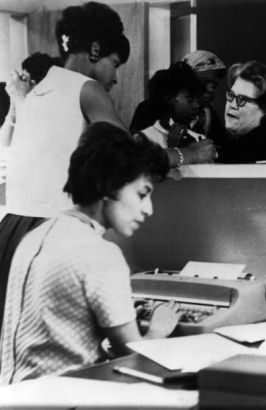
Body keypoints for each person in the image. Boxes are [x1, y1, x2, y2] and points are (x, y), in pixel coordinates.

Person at [0, 123, 183, 385]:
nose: (148, 209)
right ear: (108, 186)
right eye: (142, 194)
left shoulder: (34, 237)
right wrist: (157, 330)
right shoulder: (101, 254)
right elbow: (133, 355)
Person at [0, 1, 135, 333]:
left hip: (11, 232)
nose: (115, 78)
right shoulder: (85, 88)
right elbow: (129, 153)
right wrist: (186, 156)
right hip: (49, 233)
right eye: (114, 64)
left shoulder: (36, 92)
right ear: (94, 50)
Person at [131, 50, 229, 147]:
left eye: (214, 85)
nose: (211, 90)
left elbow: (224, 150)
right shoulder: (149, 109)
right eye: (204, 82)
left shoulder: (207, 114)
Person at [139, 62, 207, 150]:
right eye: (190, 99)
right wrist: (174, 150)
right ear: (169, 99)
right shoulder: (146, 139)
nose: (197, 105)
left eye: (197, 99)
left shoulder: (199, 140)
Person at [0, 52, 56, 146]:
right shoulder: (19, 100)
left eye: (24, 79)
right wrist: (13, 104)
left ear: (35, 85)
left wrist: (19, 100)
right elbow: (2, 146)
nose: (18, 83)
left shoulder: (46, 111)